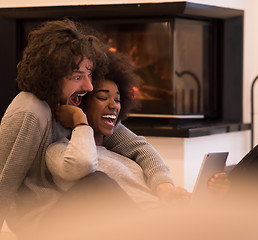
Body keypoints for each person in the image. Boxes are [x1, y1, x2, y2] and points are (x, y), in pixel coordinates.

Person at [45, 51, 258, 240]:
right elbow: (84, 166)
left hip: (179, 217)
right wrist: (80, 123)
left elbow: (145, 154)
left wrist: (193, 194)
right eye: (102, 98)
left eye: (117, 100)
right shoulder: (64, 153)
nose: (113, 106)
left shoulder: (119, 148)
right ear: (81, 102)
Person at [0, 19, 180, 238]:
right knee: (97, 182)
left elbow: (137, 146)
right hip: (43, 224)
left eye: (89, 75)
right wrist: (80, 122)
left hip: (75, 208)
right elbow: (3, 184)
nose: (89, 86)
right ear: (51, 77)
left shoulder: (74, 101)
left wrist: (164, 186)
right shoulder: (29, 113)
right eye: (77, 77)